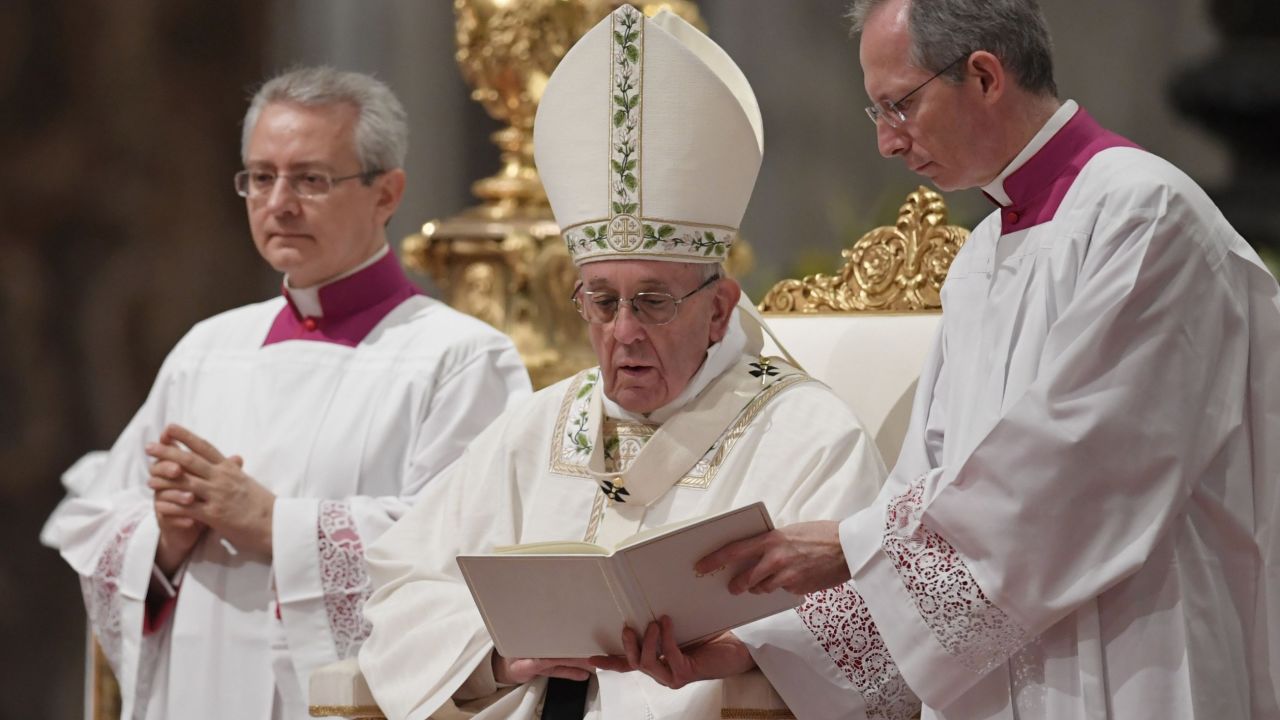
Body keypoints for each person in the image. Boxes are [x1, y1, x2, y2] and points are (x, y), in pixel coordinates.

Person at [610, 0, 1280, 717]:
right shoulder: (982, 256)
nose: (888, 144)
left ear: (985, 76)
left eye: (896, 106)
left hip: (1137, 659)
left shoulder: (1144, 217)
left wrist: (850, 543)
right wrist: (758, 645)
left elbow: (1073, 480)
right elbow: (925, 489)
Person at [356, 7, 887, 720]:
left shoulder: (809, 436)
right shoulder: (539, 427)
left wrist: (742, 647)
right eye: (601, 302)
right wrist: (498, 655)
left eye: (655, 303)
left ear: (721, 308)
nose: (624, 333)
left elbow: (874, 631)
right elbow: (401, 585)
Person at [41, 66, 532, 720]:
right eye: (260, 177)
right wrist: (163, 538)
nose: (279, 203)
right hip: (198, 686)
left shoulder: (460, 359)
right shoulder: (207, 351)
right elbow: (99, 519)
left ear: (387, 193)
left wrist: (277, 525)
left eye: (311, 179)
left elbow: (468, 552)